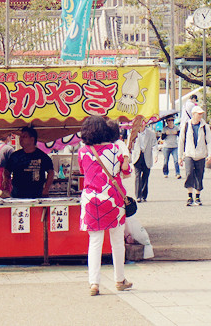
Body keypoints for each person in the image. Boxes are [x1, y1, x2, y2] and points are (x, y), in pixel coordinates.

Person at [78, 115, 133, 296]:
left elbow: (82, 171)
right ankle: (120, 279)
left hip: (91, 201)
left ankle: (94, 283)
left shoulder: (83, 151)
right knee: (117, 241)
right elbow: (126, 171)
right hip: (113, 200)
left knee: (95, 242)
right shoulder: (115, 149)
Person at [1, 126, 55, 198]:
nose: (21, 139)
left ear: (32, 139)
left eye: (24, 136)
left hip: (36, 195)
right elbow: (7, 170)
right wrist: (5, 179)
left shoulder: (42, 156)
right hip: (18, 195)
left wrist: (46, 189)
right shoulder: (15, 156)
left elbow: (51, 172)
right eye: (21, 136)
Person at [178, 105, 211, 206]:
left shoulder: (205, 126)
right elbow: (181, 142)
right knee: (189, 173)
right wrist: (180, 156)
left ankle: (197, 196)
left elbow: (209, 141)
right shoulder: (186, 126)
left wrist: (210, 155)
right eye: (198, 114)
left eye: (201, 114)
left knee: (199, 175)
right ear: (193, 114)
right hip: (189, 154)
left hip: (201, 155)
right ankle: (189, 196)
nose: (200, 116)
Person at [131, 116, 157, 202]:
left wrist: (155, 155)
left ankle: (144, 195)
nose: (142, 125)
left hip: (147, 156)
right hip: (137, 156)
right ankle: (138, 196)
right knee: (137, 175)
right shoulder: (133, 133)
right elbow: (129, 145)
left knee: (145, 176)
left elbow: (154, 145)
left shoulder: (151, 133)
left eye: (143, 122)